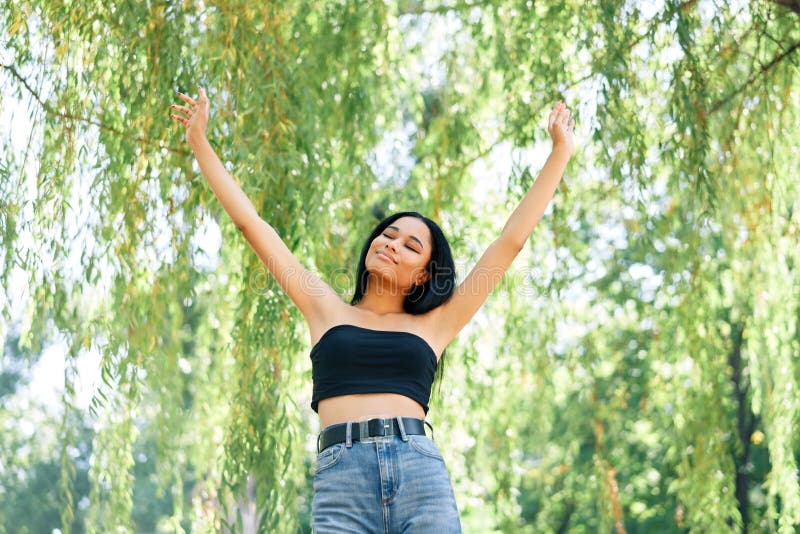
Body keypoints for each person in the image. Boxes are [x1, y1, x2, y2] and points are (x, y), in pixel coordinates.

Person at [170, 86, 575, 532]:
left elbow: (509, 243)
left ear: (424, 274)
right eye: (388, 234)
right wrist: (200, 144)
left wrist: (560, 151)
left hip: (418, 470)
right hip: (342, 478)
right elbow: (253, 226)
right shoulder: (324, 307)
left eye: (410, 245)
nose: (391, 243)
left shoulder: (437, 324)